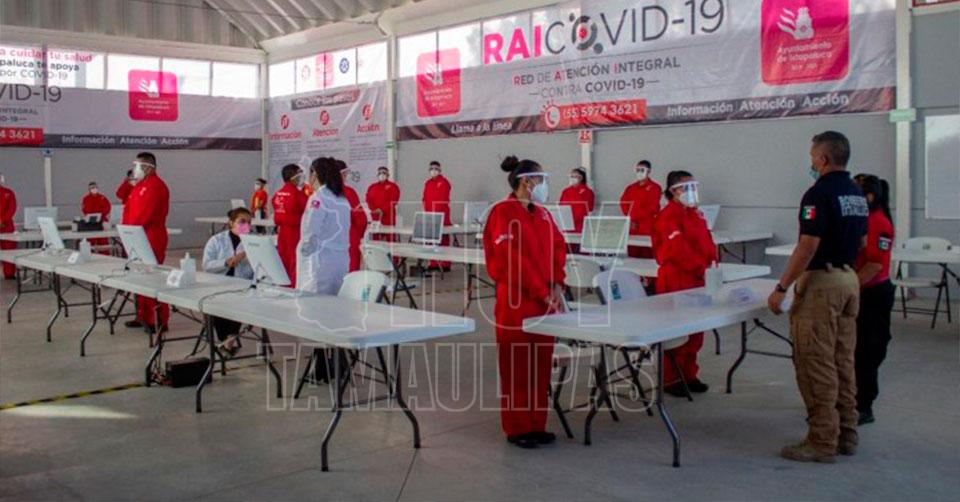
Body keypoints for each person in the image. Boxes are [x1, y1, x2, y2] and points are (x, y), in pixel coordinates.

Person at [767, 131, 868, 463]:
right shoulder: (856, 193)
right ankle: (847, 434)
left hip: (823, 284)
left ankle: (822, 440)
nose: (811, 162)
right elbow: (863, 242)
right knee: (842, 361)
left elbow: (807, 246)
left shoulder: (818, 193)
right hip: (849, 279)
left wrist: (782, 287)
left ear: (823, 159)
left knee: (815, 363)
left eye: (812, 156)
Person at [482, 155, 567, 449]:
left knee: (540, 364)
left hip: (545, 300)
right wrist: (541, 290)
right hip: (516, 300)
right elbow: (511, 259)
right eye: (539, 179)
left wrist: (557, 282)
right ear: (526, 181)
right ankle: (518, 427)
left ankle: (536, 424)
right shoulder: (502, 213)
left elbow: (558, 246)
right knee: (517, 365)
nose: (543, 185)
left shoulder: (542, 214)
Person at [652, 170, 717, 397]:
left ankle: (689, 374)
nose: (691, 191)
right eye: (685, 187)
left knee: (695, 331)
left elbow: (707, 241)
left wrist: (712, 264)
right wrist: (700, 266)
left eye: (693, 186)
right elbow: (678, 250)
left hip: (698, 277)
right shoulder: (668, 215)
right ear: (673, 191)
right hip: (677, 277)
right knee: (677, 331)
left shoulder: (695, 214)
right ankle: (671, 378)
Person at [852, 174, 895, 426]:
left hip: (873, 294)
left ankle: (863, 406)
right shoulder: (864, 220)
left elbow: (874, 265)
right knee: (854, 350)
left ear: (868, 197)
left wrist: (849, 287)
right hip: (863, 291)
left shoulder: (878, 222)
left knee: (868, 352)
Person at [121, 152, 171, 334]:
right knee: (140, 278)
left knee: (152, 278)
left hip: (151, 236)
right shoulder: (139, 185)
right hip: (136, 236)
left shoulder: (156, 186)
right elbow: (128, 210)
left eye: (138, 166)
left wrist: (130, 231)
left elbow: (145, 214)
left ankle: (158, 319)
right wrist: (126, 233)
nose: (135, 169)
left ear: (148, 167)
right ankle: (142, 315)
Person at [202, 207, 254, 356]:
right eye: (242, 222)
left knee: (239, 302)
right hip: (218, 283)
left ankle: (229, 340)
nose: (246, 226)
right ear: (231, 223)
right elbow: (206, 265)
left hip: (242, 285)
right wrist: (226, 262)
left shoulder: (254, 242)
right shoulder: (216, 240)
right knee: (216, 303)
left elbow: (261, 268)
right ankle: (226, 340)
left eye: (249, 222)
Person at [296, 157, 351, 295]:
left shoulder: (318, 198)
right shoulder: (342, 199)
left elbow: (310, 230)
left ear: (314, 174)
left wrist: (304, 255)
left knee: (312, 301)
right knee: (333, 300)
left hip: (319, 261)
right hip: (339, 261)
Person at [272, 164, 308, 287]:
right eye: (300, 174)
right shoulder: (297, 194)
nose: (302, 177)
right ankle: (293, 287)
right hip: (295, 232)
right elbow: (308, 210)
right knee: (295, 261)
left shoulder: (278, 193)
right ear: (293, 177)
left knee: (283, 259)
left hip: (282, 232)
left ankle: (283, 285)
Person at [620, 160, 662, 258]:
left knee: (647, 256)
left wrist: (635, 218)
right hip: (632, 228)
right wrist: (630, 218)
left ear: (649, 171)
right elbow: (623, 203)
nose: (639, 172)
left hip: (647, 227)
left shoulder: (655, 188)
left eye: (642, 170)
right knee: (632, 255)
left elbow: (652, 207)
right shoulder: (630, 188)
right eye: (637, 170)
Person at [337, 160, 368, 272]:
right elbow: (361, 219)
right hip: (349, 237)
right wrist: (359, 235)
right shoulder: (349, 192)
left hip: (330, 240)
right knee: (351, 272)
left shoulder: (322, 193)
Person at [422, 160, 452, 270]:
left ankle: (445, 263)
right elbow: (424, 199)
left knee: (443, 240)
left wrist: (437, 214)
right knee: (431, 240)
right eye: (431, 169)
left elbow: (444, 199)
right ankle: (433, 262)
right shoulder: (428, 183)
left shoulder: (444, 182)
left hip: (442, 216)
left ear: (439, 170)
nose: (433, 171)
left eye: (435, 169)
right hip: (430, 215)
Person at [365, 166, 400, 243]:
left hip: (388, 216)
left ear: (388, 175)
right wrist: (373, 209)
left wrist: (382, 209)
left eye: (384, 173)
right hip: (375, 216)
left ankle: (391, 251)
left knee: (390, 239)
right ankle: (376, 251)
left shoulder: (393, 186)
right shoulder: (372, 187)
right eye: (380, 173)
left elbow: (394, 200)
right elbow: (368, 199)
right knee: (375, 238)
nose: (381, 174)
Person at [558, 167, 595, 234]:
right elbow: (560, 206)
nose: (572, 178)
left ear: (581, 178)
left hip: (580, 225)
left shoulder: (587, 192)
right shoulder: (566, 191)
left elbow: (589, 208)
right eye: (571, 176)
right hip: (566, 224)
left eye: (574, 176)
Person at [81, 181, 112, 253]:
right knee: (91, 241)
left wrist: (100, 214)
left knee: (103, 241)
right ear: (89, 189)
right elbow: (85, 210)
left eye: (95, 187)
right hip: (91, 222)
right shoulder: (86, 198)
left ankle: (105, 256)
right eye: (92, 188)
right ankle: (90, 255)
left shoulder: (102, 197)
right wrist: (93, 215)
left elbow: (108, 207)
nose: (94, 189)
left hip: (102, 220)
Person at [0, 172, 17, 279]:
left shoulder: (8, 193)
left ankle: (9, 273)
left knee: (9, 251)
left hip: (6, 227)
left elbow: (12, 208)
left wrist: (3, 220)